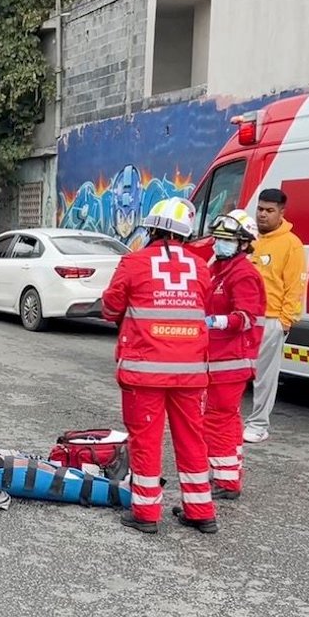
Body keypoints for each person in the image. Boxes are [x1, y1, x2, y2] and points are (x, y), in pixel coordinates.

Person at [101, 197, 217, 534]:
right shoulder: (200, 266)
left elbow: (110, 307)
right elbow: (204, 304)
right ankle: (202, 511)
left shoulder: (134, 262)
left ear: (151, 229)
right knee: (192, 440)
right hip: (191, 374)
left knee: (146, 442)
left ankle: (146, 513)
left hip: (145, 371)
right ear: (185, 233)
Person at [204, 210, 267, 500]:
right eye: (218, 238)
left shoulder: (243, 274)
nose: (219, 243)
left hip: (231, 360)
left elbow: (245, 317)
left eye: (227, 239)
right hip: (217, 359)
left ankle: (226, 482)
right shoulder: (218, 268)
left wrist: (212, 321)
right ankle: (228, 475)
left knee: (217, 419)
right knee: (226, 419)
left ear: (244, 243)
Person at [244, 188, 306, 444]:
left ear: (282, 213)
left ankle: (258, 425)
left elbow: (295, 286)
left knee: (265, 376)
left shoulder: (291, 244)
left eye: (269, 211)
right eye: (260, 209)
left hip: (270, 319)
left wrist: (284, 321)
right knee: (233, 371)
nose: (263, 215)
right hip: (244, 317)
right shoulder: (249, 238)